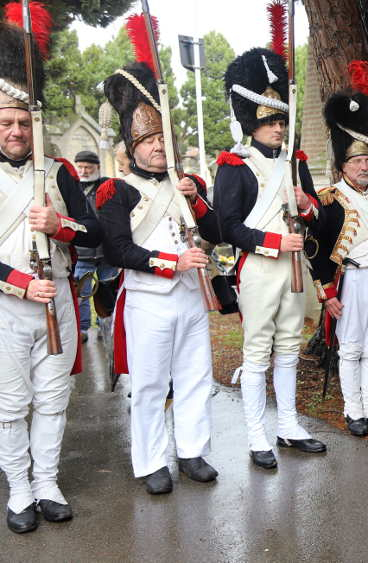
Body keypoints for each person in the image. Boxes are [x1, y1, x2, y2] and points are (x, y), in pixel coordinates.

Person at [97, 59, 221, 495]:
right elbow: (117, 250)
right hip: (149, 297)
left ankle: (191, 451)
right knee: (150, 384)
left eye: (162, 138)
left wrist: (198, 201)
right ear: (132, 147)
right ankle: (150, 461)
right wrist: (171, 263)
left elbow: (217, 232)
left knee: (195, 376)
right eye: (148, 140)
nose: (157, 147)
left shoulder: (187, 185)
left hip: (190, 297)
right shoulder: (117, 190)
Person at [0, 11, 102, 533]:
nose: (16, 131)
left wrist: (59, 222)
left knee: (54, 399)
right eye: (5, 122)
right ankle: (19, 488)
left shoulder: (59, 170)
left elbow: (94, 234)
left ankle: (46, 482)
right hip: (8, 304)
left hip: (58, 296)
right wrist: (18, 282)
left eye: (23, 120)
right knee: (13, 405)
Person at [215, 47, 326, 470]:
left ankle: (290, 424)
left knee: (290, 349)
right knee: (257, 352)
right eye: (269, 122)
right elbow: (228, 227)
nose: (277, 128)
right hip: (261, 267)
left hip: (295, 268)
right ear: (252, 124)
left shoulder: (296, 164)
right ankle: (257, 433)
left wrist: (306, 203)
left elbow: (317, 212)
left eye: (280, 121)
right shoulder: (234, 165)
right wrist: (273, 243)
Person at [308, 70, 368, 437]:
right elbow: (316, 249)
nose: (364, 167)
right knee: (349, 347)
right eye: (356, 163)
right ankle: (352, 408)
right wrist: (326, 292)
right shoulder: (330, 200)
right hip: (349, 280)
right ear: (343, 166)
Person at [72, 150, 118, 343]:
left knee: (108, 292)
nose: (83, 171)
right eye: (80, 167)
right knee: (82, 294)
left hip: (107, 252)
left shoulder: (108, 186)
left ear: (97, 168)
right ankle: (83, 329)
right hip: (81, 253)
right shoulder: (71, 188)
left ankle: (106, 326)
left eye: (88, 167)